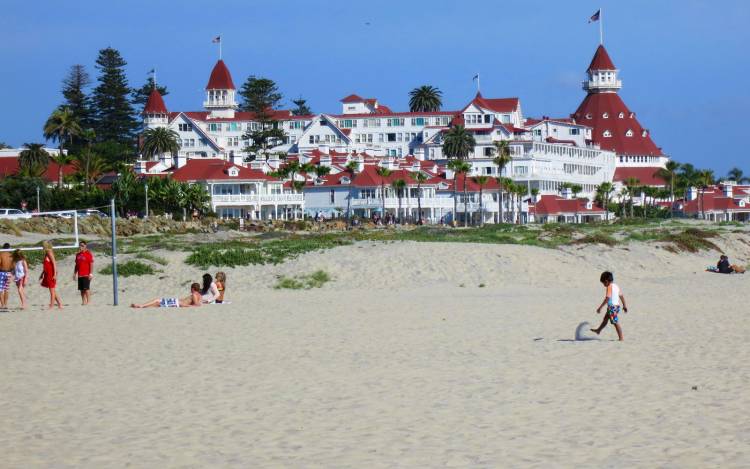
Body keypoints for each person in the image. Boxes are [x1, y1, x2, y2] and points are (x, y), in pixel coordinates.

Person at [591, 271, 628, 341]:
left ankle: (621, 338)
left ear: (606, 281)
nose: (603, 285)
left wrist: (600, 307)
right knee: (605, 319)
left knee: (615, 322)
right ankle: (598, 330)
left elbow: (607, 298)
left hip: (612, 307)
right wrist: (624, 305)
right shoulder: (616, 286)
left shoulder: (609, 287)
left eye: (603, 283)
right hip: (616, 306)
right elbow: (621, 296)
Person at [131, 283, 202, 308]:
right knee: (158, 303)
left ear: (193, 288)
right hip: (177, 302)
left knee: (158, 302)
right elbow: (198, 303)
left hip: (177, 303)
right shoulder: (199, 295)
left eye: (191, 288)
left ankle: (141, 306)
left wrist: (183, 304)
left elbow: (195, 305)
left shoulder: (194, 294)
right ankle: (142, 306)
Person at [40, 241, 63, 309]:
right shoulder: (46, 253)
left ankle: (52, 305)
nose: (42, 247)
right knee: (53, 290)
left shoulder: (49, 252)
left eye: (43, 245)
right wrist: (42, 274)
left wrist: (55, 274)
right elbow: (46, 265)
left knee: (52, 290)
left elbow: (54, 263)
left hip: (51, 273)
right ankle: (60, 304)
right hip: (47, 273)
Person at [73, 241, 94, 305]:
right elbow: (76, 265)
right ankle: (83, 301)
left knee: (86, 289)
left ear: (85, 246)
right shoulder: (78, 254)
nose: (81, 247)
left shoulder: (88, 254)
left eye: (82, 245)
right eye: (80, 245)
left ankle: (89, 302)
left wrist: (91, 273)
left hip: (86, 274)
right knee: (81, 290)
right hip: (80, 274)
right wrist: (74, 273)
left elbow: (91, 264)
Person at [0, 242, 13, 309]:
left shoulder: (1, 254)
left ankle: (2, 305)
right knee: (6, 289)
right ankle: (6, 304)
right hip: (9, 273)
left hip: (1, 272)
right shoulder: (11, 255)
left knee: (0, 290)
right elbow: (13, 266)